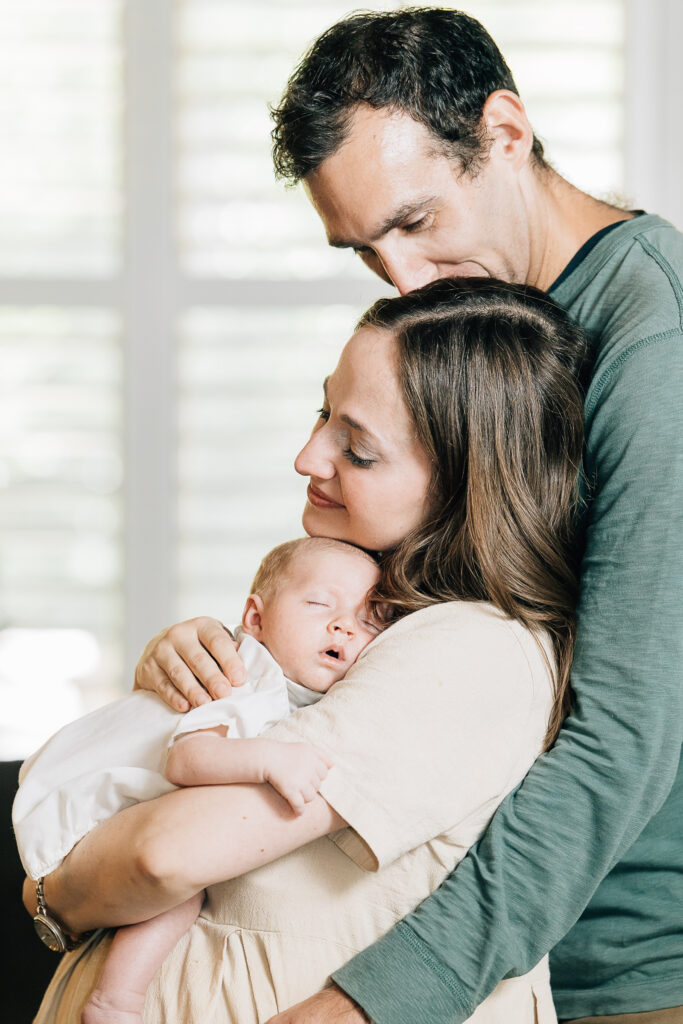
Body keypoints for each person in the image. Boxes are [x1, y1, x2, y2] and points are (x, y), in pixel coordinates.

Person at [133, 9, 683, 1024]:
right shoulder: (477, 316)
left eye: (415, 221)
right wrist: (228, 660)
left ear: (504, 134)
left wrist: (361, 1005)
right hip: (450, 935)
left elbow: (622, 737)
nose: (400, 278)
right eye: (362, 247)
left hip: (618, 973)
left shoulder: (652, 338)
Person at [25, 278, 587, 1023]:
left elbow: (163, 854)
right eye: (323, 413)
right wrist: (191, 674)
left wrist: (54, 893)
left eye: (356, 449)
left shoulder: (472, 650)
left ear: (462, 486)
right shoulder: (351, 624)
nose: (305, 456)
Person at [14, 536, 381, 1024]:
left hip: (74, 807)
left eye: (368, 621)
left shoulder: (281, 686)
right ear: (255, 619)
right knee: (190, 878)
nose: (343, 626)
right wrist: (271, 759)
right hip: (74, 805)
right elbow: (188, 760)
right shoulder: (248, 672)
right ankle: (114, 1001)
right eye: (319, 604)